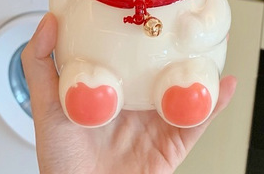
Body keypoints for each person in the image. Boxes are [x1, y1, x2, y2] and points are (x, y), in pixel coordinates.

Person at [21, 12, 238, 174]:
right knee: (88, 74)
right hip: (97, 58)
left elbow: (216, 13)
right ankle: (94, 90)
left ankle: (182, 87)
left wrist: (204, 27)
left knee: (187, 76)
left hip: (173, 63)